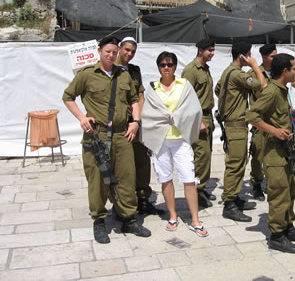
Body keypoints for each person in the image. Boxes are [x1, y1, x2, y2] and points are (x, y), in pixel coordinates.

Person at [63, 36, 151, 244]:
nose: (111, 55)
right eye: (107, 52)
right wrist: (82, 118)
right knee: (98, 180)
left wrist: (136, 121)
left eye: (114, 52)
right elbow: (68, 97)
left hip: (122, 135)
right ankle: (99, 221)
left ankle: (128, 218)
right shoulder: (87, 75)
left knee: (127, 178)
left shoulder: (124, 75)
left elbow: (134, 100)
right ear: (100, 51)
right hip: (97, 136)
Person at [247, 53, 295, 254]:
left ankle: (288, 227)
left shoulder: (282, 91)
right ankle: (276, 235)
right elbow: (250, 115)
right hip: (274, 151)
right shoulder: (272, 91)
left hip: (286, 149)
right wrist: (273, 130)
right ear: (285, 71)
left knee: (289, 191)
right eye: (294, 68)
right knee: (278, 193)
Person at [141, 51, 208, 237]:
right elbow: (149, 112)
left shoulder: (184, 85)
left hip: (181, 139)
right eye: (162, 65)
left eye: (170, 64)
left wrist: (177, 117)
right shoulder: (153, 87)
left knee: (188, 178)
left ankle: (195, 219)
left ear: (175, 66)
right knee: (165, 178)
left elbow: (193, 108)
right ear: (158, 67)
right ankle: (172, 215)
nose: (166, 68)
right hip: (161, 140)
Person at [215, 41, 267, 222]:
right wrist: (254, 66)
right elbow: (262, 84)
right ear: (242, 56)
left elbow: (217, 89)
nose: (252, 58)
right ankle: (229, 204)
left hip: (235, 124)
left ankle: (235, 197)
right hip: (235, 125)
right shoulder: (238, 74)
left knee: (238, 163)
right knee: (235, 165)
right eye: (249, 54)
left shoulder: (227, 72)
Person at [116, 36, 162, 216]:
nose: (129, 54)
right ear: (120, 48)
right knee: (122, 166)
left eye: (133, 51)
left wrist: (138, 120)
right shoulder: (111, 69)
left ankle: (143, 199)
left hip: (136, 123)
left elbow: (140, 96)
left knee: (142, 161)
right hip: (120, 125)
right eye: (127, 50)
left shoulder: (135, 71)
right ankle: (122, 203)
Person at [181, 38, 216, 208]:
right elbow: (185, 98)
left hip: (208, 116)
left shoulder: (205, 69)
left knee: (206, 155)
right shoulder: (191, 70)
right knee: (201, 155)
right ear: (200, 50)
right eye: (209, 50)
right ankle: (197, 190)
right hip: (198, 117)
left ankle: (201, 187)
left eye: (213, 50)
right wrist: (197, 121)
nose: (212, 53)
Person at [249, 43, 277, 201]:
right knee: (258, 153)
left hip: (275, 120)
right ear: (264, 57)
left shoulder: (278, 72)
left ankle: (272, 181)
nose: (275, 58)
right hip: (260, 121)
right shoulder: (253, 73)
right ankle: (256, 184)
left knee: (275, 153)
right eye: (273, 56)